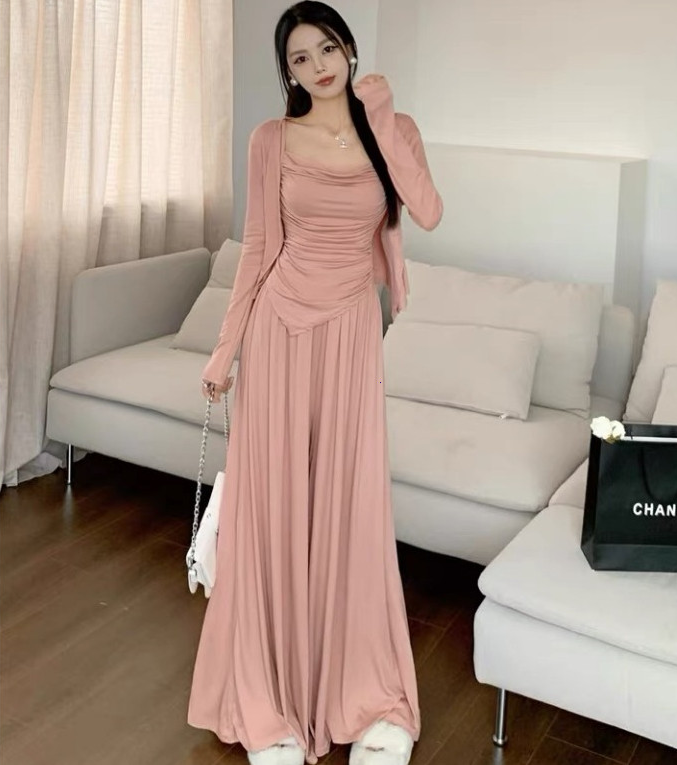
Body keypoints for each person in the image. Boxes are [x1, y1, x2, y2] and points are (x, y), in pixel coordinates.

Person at [187, 3, 442, 764]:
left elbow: (428, 211)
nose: (317, 68)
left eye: (326, 49)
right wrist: (224, 351)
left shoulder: (393, 128)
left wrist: (381, 116)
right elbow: (258, 246)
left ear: (349, 49)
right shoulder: (270, 139)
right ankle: (269, 704)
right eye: (299, 59)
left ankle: (364, 697)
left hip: (351, 329)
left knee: (347, 499)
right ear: (288, 72)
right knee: (272, 505)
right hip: (277, 329)